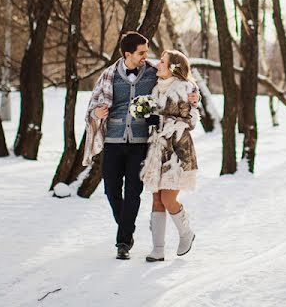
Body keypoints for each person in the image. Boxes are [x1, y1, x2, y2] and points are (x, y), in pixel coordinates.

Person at [82, 32, 198, 260]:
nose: (147, 56)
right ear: (128, 54)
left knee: (134, 192)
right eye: (142, 52)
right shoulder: (109, 75)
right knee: (111, 190)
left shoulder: (153, 72)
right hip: (113, 140)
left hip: (141, 143)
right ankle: (126, 226)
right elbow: (92, 105)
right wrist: (97, 113)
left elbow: (182, 81)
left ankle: (124, 242)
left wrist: (196, 97)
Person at [140, 49, 200, 262]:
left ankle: (186, 233)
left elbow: (191, 121)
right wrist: (148, 117)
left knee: (168, 198)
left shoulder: (186, 88)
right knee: (156, 199)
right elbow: (154, 118)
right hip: (158, 149)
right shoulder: (156, 89)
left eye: (163, 62)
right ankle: (157, 249)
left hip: (177, 150)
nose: (158, 64)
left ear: (174, 67)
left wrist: (166, 122)